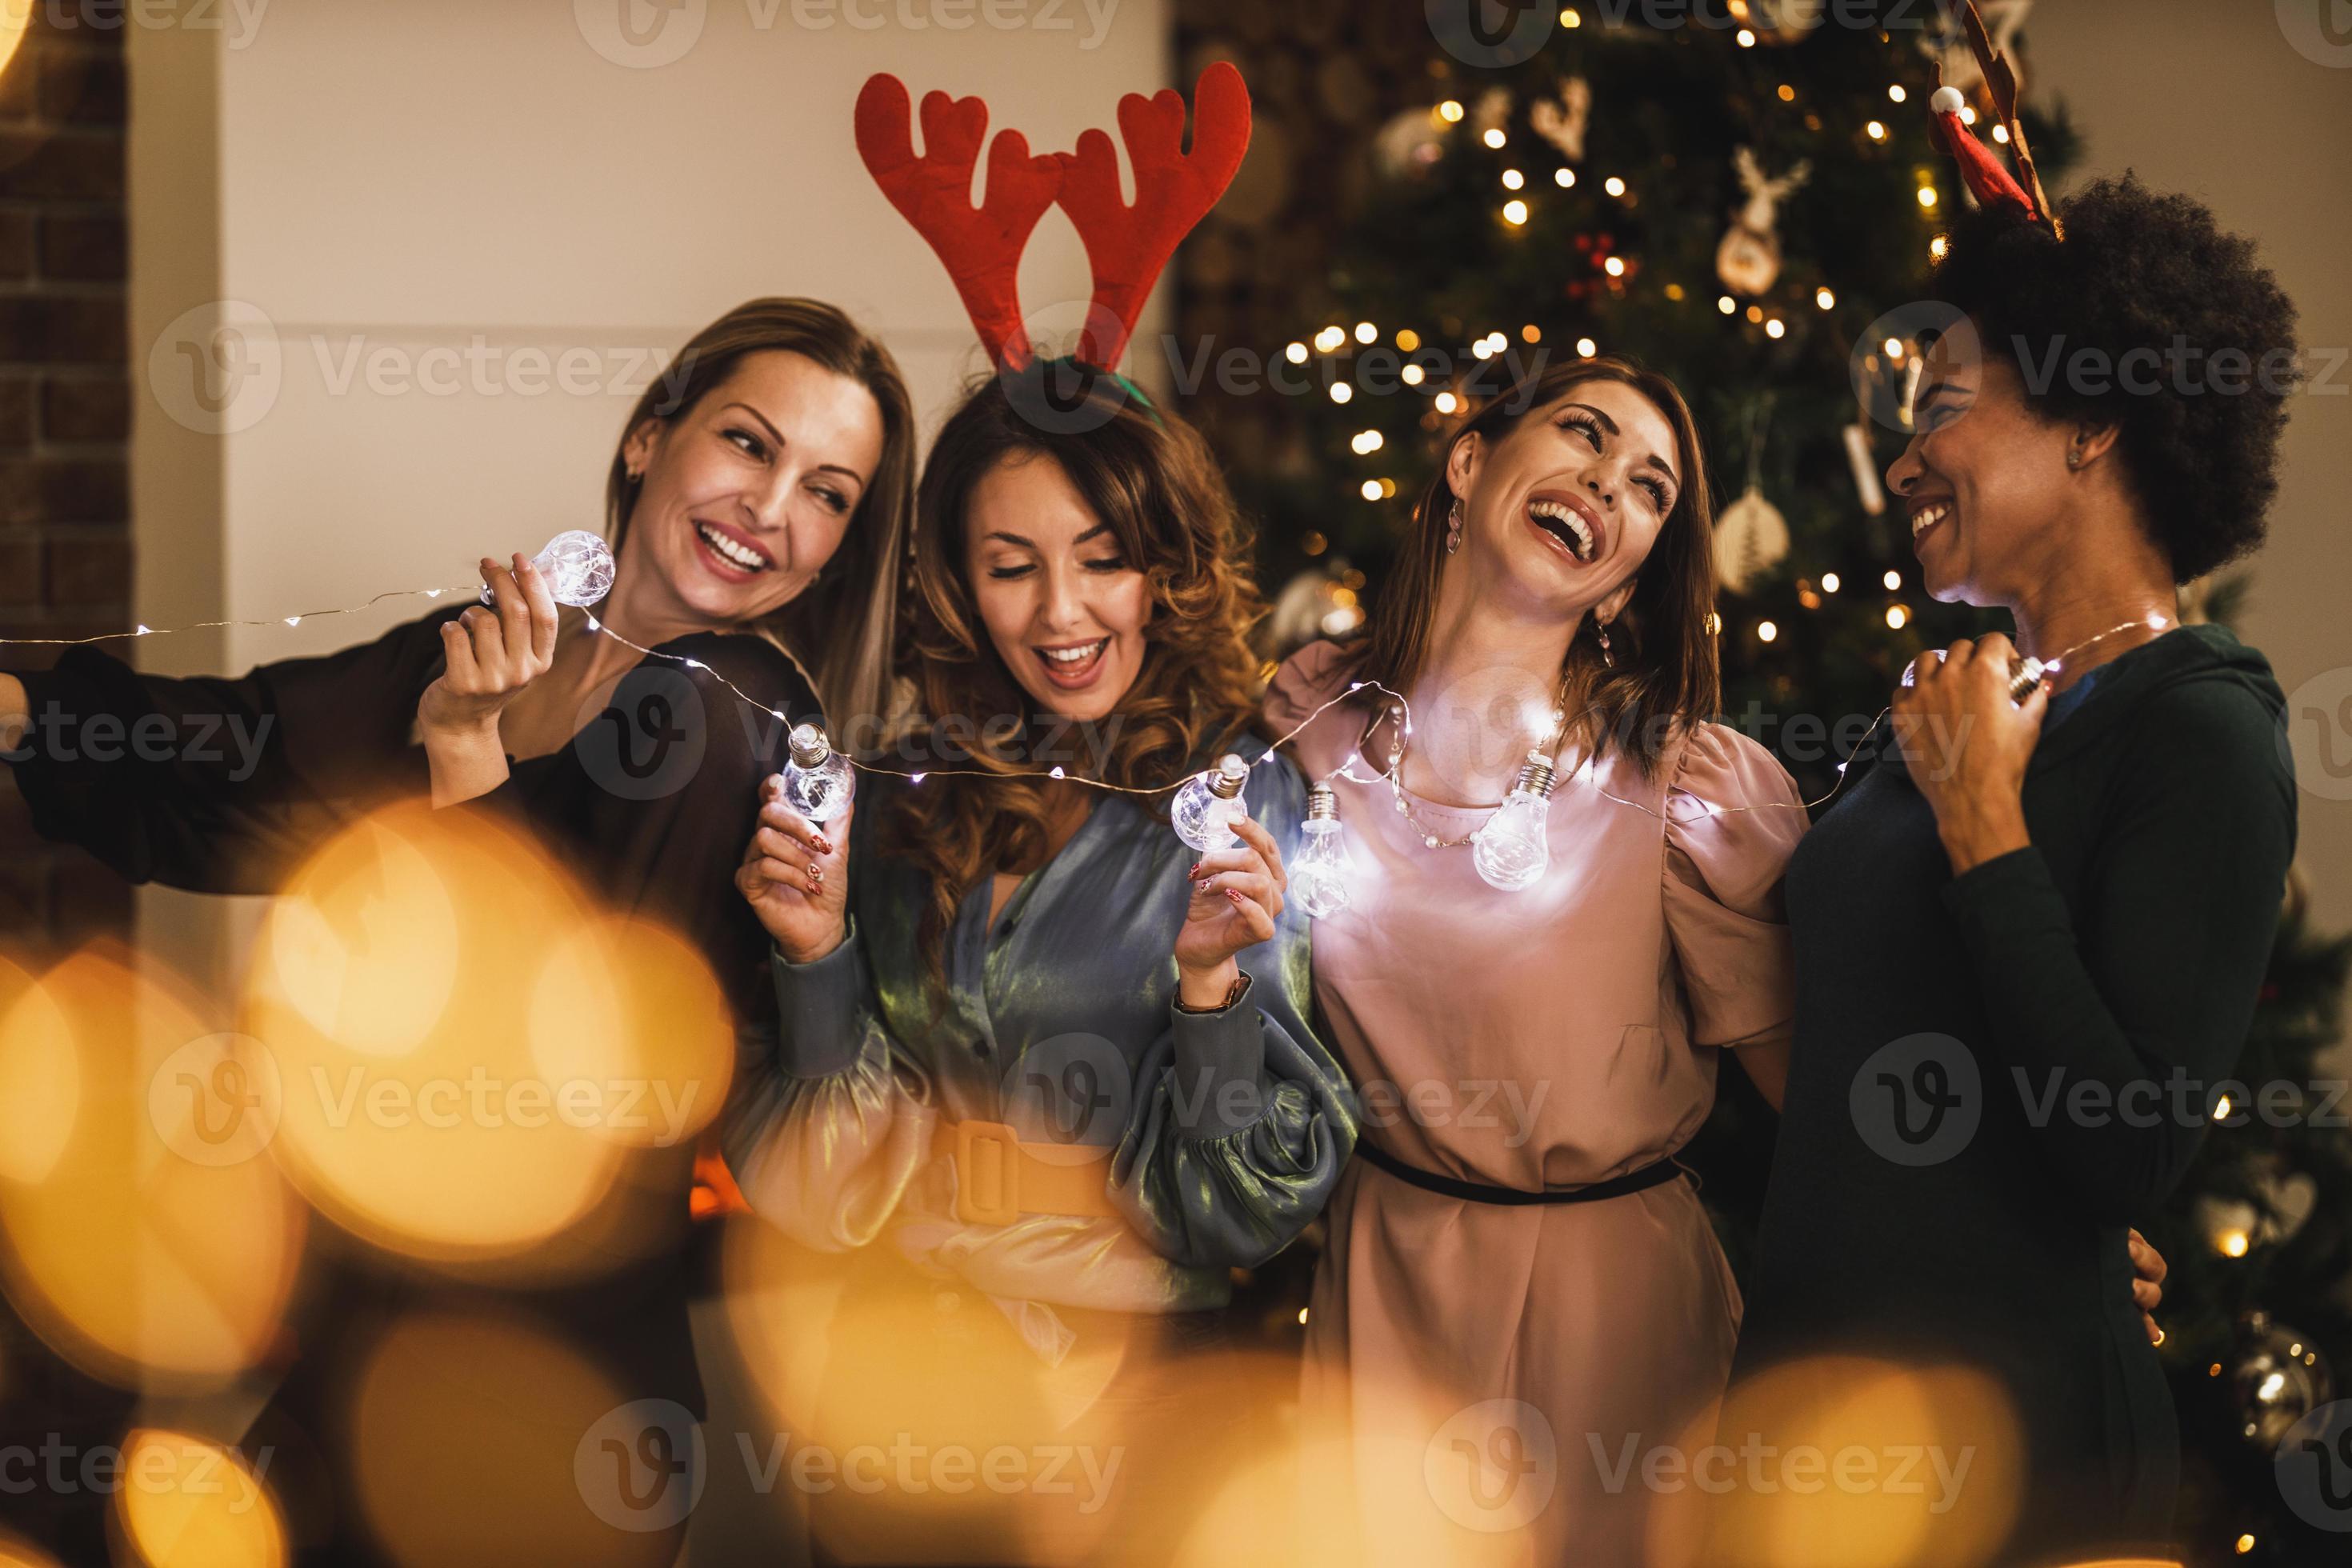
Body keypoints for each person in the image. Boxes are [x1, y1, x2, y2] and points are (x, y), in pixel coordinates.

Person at [0, 297, 918, 1564]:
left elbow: (558, 1072)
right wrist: (21, 709)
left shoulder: (736, 722)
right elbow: (248, 754)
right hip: (379, 1323)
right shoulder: (515, 646)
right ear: (652, 436)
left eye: (829, 493)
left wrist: (464, 752)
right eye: (750, 445)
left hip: (551, 1383)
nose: (772, 510)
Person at [1730, 175, 2299, 1564]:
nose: (1902, 461)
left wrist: (1987, 823)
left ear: (2095, 416)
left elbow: (2124, 1141)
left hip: (2010, 1450)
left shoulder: (2203, 728)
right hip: (1806, 1411)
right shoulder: (1948, 705)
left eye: (1940, 410)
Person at [725, 366, 1356, 1565]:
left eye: (1102, 555)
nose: (1062, 613)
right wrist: (816, 960)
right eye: (1012, 566)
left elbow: (1238, 1211)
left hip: (1132, 1403)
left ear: (1164, 564)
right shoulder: (903, 797)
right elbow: (814, 1181)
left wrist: (1210, 993)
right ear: (960, 588)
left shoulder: (1243, 794)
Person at [1262, 357, 1805, 1562]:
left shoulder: (1682, 786)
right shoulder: (1305, 726)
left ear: (1628, 582)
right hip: (1386, 1287)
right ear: (1469, 464)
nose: (1607, 485)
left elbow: (1814, 1094)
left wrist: (2029, 1241)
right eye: (1584, 437)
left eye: (1650, 487)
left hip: (1617, 1319)